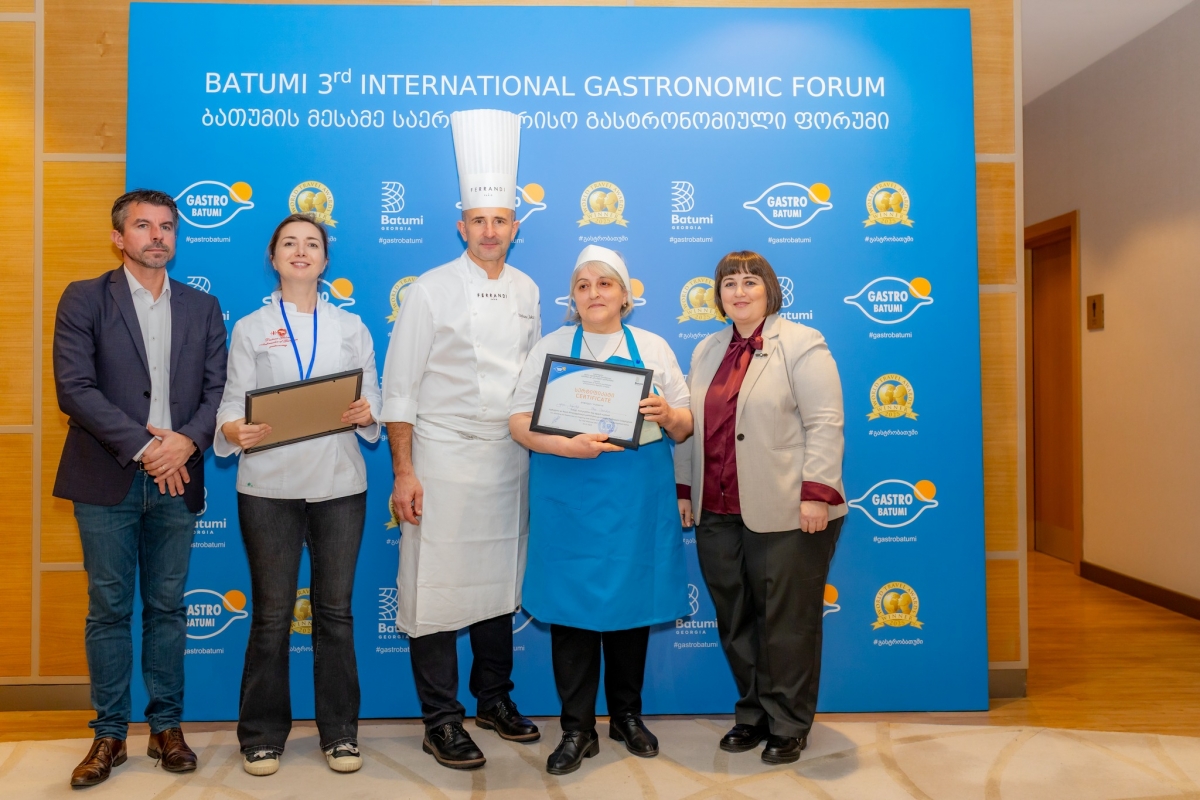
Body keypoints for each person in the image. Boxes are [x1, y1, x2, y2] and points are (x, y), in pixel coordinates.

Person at [380, 108, 541, 770]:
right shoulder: (431, 290)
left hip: (509, 459)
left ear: (515, 226)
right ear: (462, 226)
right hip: (442, 457)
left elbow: (536, 382)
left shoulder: (529, 290)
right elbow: (399, 388)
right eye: (479, 220)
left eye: (500, 220)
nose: (490, 231)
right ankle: (440, 718)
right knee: (437, 589)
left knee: (498, 585)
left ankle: (494, 699)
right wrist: (404, 471)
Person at [52, 189, 228, 788]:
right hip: (107, 477)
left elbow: (218, 392)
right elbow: (74, 389)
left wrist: (188, 442)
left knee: (168, 608)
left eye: (167, 227)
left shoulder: (203, 306)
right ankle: (108, 734)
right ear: (118, 237)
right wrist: (149, 448)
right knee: (109, 609)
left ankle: (166, 728)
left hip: (179, 478)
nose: (157, 235)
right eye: (144, 225)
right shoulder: (84, 298)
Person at [510, 245, 693, 775]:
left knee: (631, 607)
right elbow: (518, 421)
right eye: (583, 285)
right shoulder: (550, 347)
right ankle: (577, 729)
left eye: (605, 284)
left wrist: (668, 413)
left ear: (625, 295)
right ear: (573, 296)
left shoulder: (653, 347)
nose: (594, 293)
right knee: (571, 611)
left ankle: (627, 716)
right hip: (568, 495)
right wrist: (566, 446)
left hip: (636, 498)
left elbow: (685, 424)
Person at [214, 213, 381, 777]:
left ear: (326, 260)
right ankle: (262, 735)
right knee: (271, 614)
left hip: (339, 484)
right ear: (273, 257)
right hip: (269, 485)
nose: (301, 251)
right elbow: (232, 402)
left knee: (335, 612)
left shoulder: (352, 328)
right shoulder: (250, 327)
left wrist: (367, 413)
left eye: (312, 244)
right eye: (290, 243)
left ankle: (340, 734)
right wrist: (234, 429)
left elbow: (373, 398)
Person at [675, 251, 846, 765]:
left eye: (750, 281)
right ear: (718, 295)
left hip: (789, 508)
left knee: (786, 623)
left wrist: (817, 493)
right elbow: (692, 423)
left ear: (771, 290)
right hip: (717, 508)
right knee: (736, 619)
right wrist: (685, 488)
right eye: (729, 283)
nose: (739, 291)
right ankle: (753, 714)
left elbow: (825, 422)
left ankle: (789, 722)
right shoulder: (707, 349)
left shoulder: (802, 343)